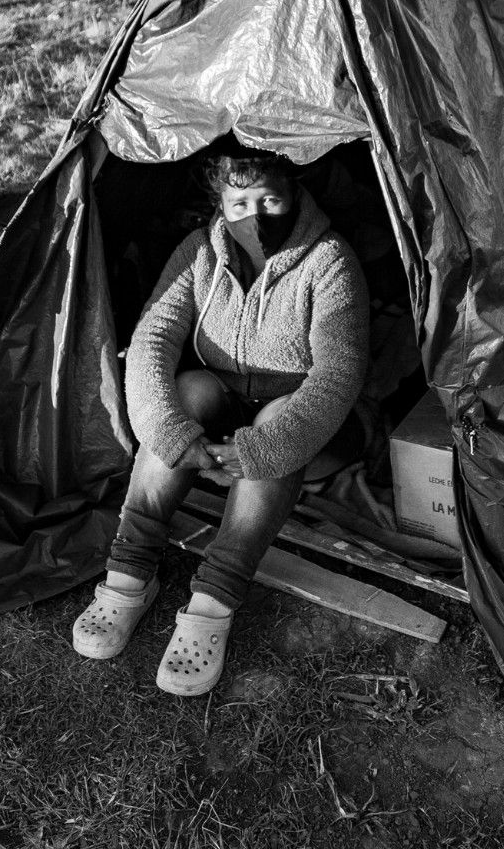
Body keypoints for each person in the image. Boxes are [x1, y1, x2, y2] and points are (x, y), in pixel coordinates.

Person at [72, 147, 369, 694]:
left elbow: (337, 375)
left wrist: (263, 448)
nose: (254, 215)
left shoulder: (329, 262)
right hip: (224, 405)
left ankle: (213, 599)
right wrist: (171, 433)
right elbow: (152, 339)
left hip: (309, 425)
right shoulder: (199, 253)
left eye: (270, 199)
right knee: (185, 389)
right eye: (240, 202)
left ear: (294, 193)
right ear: (221, 202)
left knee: (279, 419)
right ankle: (130, 573)